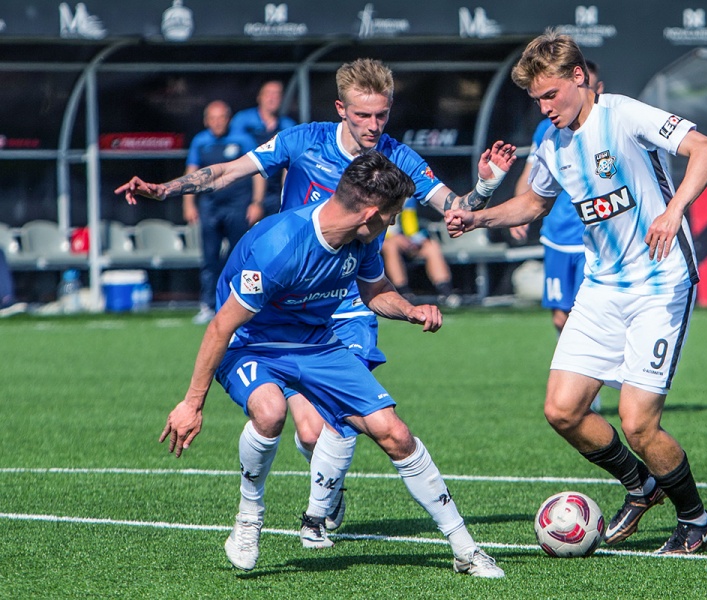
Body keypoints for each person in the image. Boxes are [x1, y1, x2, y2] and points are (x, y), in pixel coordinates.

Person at [116, 58, 515, 534]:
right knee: (308, 432)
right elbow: (228, 172)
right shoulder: (305, 140)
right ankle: (325, 492)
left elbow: (456, 212)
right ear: (341, 109)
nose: (374, 126)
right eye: (363, 115)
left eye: (382, 115)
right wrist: (166, 189)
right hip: (293, 296)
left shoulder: (399, 158)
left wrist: (485, 186)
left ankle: (316, 519)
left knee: (346, 420)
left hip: (353, 295)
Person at [158, 152, 504, 578]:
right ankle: (249, 517)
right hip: (252, 344)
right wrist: (192, 404)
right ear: (371, 213)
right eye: (392, 215)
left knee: (394, 433)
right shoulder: (280, 246)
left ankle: (465, 549)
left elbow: (374, 290)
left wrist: (409, 310)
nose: (394, 222)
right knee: (270, 412)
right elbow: (221, 327)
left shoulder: (363, 238)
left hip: (317, 343)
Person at [446, 30, 707, 555]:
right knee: (562, 410)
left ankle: (695, 519)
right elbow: (533, 204)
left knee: (639, 424)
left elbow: (706, 150)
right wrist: (478, 216)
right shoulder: (553, 142)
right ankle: (641, 486)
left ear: (579, 77)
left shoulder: (624, 114)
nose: (545, 108)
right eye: (537, 100)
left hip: (659, 283)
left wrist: (674, 210)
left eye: (551, 95)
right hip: (601, 289)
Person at [512, 60, 603, 411]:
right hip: (557, 237)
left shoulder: (607, 126)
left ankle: (589, 389)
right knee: (560, 317)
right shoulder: (548, 130)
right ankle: (579, 380)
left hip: (592, 239)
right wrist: (519, 211)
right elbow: (532, 172)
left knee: (589, 314)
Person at [182, 100, 262, 325]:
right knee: (209, 257)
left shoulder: (243, 140)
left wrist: (256, 202)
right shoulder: (200, 141)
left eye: (221, 118)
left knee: (238, 255)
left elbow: (258, 171)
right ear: (206, 121)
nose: (217, 122)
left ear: (229, 119)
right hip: (210, 206)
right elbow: (192, 173)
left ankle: (237, 303)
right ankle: (207, 305)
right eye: (213, 118)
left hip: (238, 205)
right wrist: (188, 204)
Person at [230, 80, 297, 219]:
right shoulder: (242, 120)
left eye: (276, 94)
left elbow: (291, 163)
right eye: (269, 94)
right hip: (244, 190)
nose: (272, 98)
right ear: (259, 97)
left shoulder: (289, 126)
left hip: (274, 191)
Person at [381, 197, 459, 306]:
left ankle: (446, 292)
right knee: (391, 246)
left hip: (403, 240)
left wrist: (414, 238)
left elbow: (409, 220)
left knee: (431, 246)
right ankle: (403, 292)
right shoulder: (378, 194)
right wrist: (392, 236)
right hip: (382, 240)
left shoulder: (407, 197)